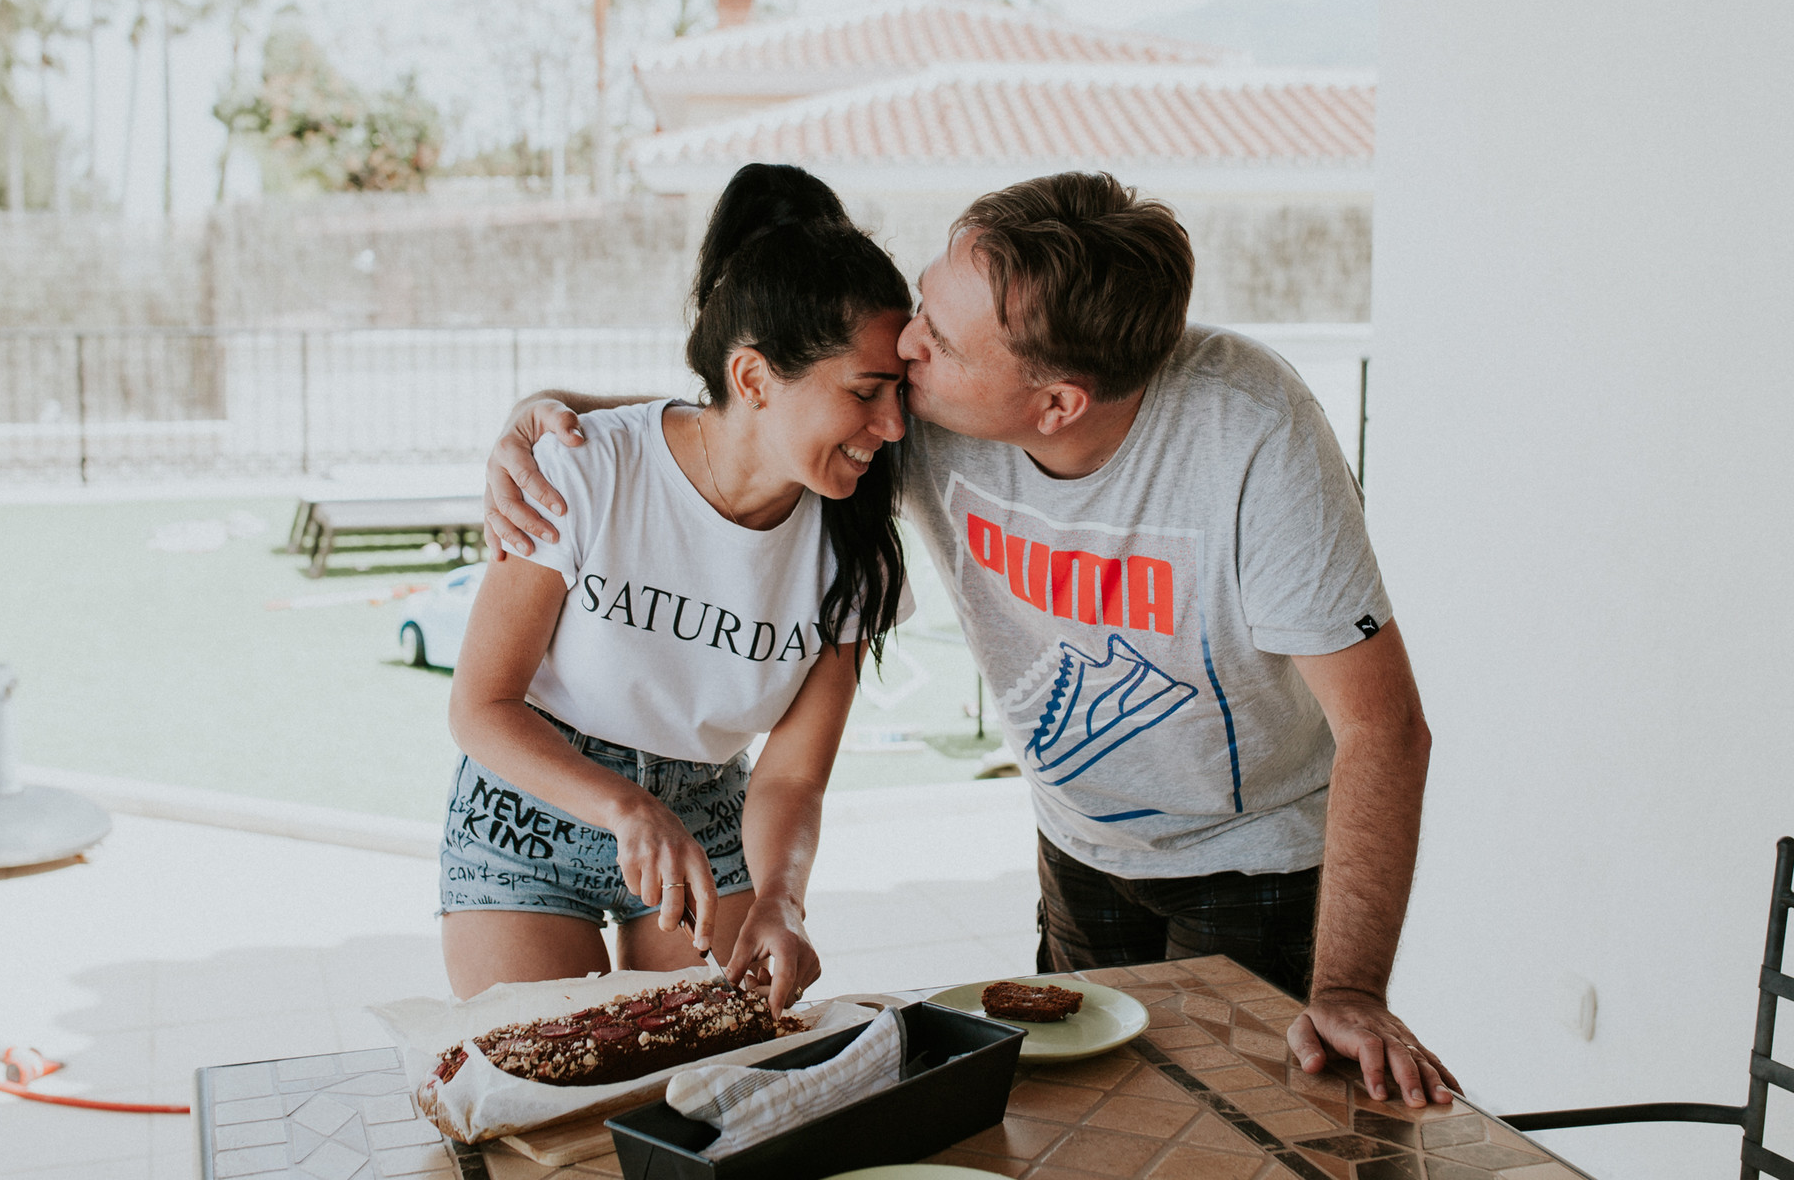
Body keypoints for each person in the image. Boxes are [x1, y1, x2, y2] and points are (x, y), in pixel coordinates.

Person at [484, 172, 1461, 1108]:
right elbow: (752, 414)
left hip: (1254, 867)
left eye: (941, 340)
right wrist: (544, 423)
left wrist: (1352, 994)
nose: (906, 345)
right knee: (1093, 1121)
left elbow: (1384, 728)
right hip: (1077, 849)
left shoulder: (1245, 432)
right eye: (922, 305)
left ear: (1056, 403)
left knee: (1233, 1141)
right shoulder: (926, 407)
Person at [439, 163, 913, 1015]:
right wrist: (624, 805)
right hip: (530, 806)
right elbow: (482, 706)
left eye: (899, 394)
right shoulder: (587, 471)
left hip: (708, 810)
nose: (894, 427)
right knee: (545, 1083)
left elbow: (792, 780)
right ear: (756, 379)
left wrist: (781, 898)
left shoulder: (858, 551)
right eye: (866, 394)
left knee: (704, 1087)